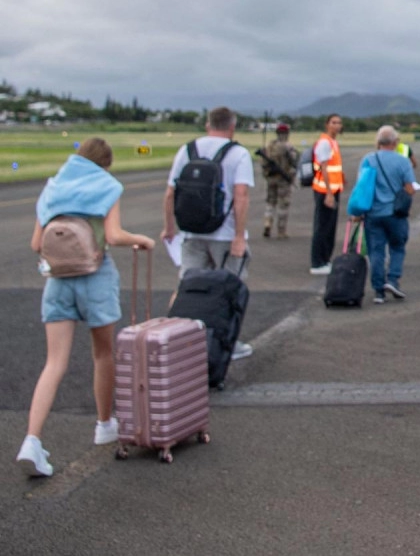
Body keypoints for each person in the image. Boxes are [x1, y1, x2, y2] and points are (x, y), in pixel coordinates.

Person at [16, 139, 155, 477]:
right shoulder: (107, 186)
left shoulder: (53, 186)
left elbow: (37, 244)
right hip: (95, 277)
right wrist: (141, 239)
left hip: (58, 280)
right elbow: (114, 233)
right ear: (104, 164)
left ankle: (32, 439)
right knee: (102, 353)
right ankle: (104, 423)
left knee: (54, 362)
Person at [163, 106, 255, 360]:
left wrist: (170, 227)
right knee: (229, 289)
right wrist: (239, 236)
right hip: (224, 234)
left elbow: (171, 192)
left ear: (207, 124)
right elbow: (241, 196)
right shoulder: (238, 154)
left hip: (191, 231)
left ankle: (174, 339)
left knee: (185, 285)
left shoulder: (187, 150)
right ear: (232, 126)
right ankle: (226, 342)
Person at [357, 126, 416, 304]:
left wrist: (357, 212)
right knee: (397, 247)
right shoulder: (403, 161)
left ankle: (378, 291)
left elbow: (362, 187)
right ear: (395, 142)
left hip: (373, 213)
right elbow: (409, 188)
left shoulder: (368, 160)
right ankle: (393, 279)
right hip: (395, 213)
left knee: (376, 251)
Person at [309, 114, 344, 275]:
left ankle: (325, 259)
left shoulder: (333, 142)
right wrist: (329, 194)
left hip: (334, 189)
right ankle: (317, 262)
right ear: (327, 124)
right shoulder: (324, 142)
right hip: (324, 190)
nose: (337, 125)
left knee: (330, 227)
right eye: (333, 122)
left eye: (339, 123)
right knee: (322, 227)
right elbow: (323, 168)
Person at [259, 122, 299, 239]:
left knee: (270, 203)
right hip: (283, 180)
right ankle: (281, 230)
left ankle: (267, 223)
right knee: (283, 205)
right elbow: (294, 162)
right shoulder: (288, 147)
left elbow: (263, 163)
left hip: (271, 178)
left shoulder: (270, 146)